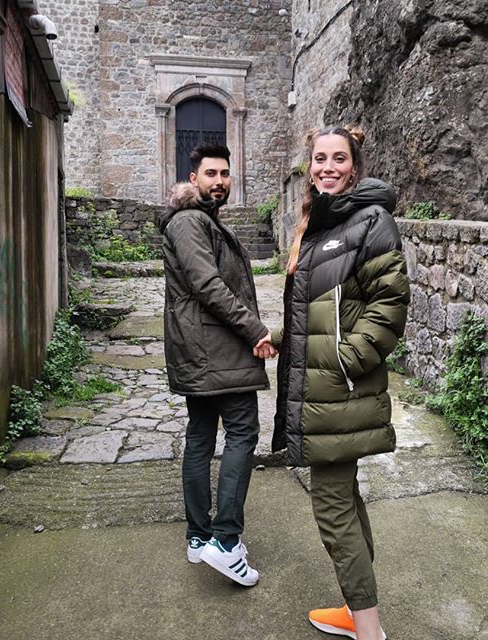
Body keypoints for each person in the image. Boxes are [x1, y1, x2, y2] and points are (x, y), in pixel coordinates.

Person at [260, 126, 409, 639]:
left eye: (339, 158)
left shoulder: (371, 221)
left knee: (331, 505)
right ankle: (356, 611)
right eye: (320, 158)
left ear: (355, 166)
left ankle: (368, 630)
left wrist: (347, 361)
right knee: (344, 498)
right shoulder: (322, 223)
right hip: (324, 389)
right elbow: (323, 314)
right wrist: (280, 337)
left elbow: (389, 304)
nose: (328, 167)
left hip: (338, 390)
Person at [159, 143, 276, 587]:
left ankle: (199, 537)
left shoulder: (202, 220)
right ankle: (225, 542)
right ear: (194, 179)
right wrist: (255, 330)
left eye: (225, 173)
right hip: (215, 348)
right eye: (211, 173)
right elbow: (208, 285)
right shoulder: (190, 221)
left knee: (201, 436)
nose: (220, 181)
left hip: (203, 348)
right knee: (242, 432)